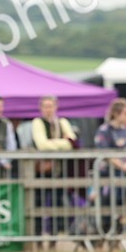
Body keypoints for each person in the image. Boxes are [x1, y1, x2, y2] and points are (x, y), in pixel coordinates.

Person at [30, 95, 77, 239]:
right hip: (41, 172)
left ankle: (54, 237)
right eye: (45, 106)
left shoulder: (62, 122)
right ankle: (37, 237)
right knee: (38, 204)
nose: (48, 109)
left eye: (51, 106)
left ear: (56, 107)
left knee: (59, 204)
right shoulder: (37, 122)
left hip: (59, 171)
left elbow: (72, 143)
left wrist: (53, 143)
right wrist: (62, 143)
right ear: (41, 108)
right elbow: (41, 145)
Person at [94, 98, 126, 238]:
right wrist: (123, 165)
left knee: (123, 206)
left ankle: (118, 237)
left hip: (124, 176)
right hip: (108, 176)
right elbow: (105, 154)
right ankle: (103, 236)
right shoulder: (104, 130)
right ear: (116, 113)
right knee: (106, 206)